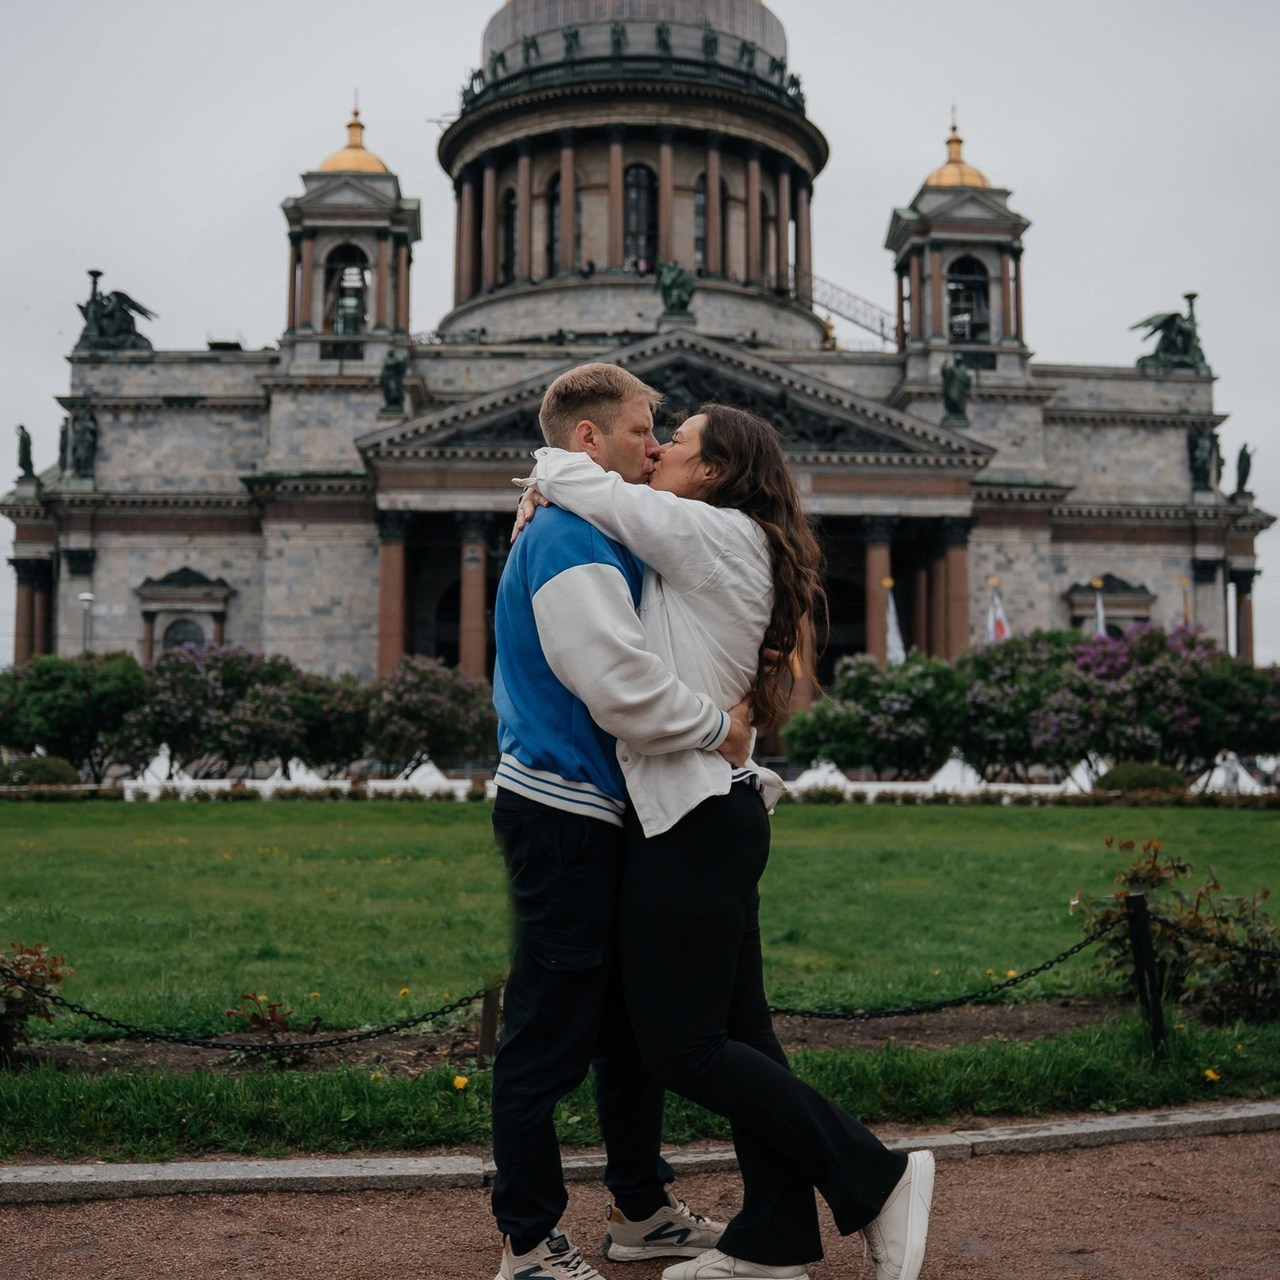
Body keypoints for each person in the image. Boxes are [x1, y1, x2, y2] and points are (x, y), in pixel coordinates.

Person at [523, 403, 935, 1280]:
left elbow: (573, 470)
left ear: (714, 473)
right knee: (744, 1037)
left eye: (678, 440)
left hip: (696, 815)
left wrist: (541, 480)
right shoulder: (720, 537)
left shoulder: (714, 532)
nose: (660, 445)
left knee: (683, 1045)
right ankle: (775, 1239)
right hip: (713, 811)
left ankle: (877, 1175)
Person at [489, 364, 752, 1280]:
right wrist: (723, 730)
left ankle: (641, 1208)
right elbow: (620, 688)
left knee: (631, 1032)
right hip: (563, 811)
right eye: (646, 426)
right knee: (550, 1030)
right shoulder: (566, 538)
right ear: (589, 442)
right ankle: (527, 1242)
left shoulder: (585, 524)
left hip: (603, 814)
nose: (659, 440)